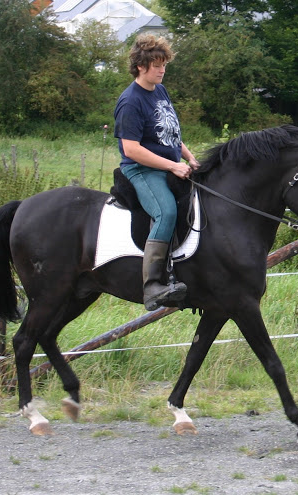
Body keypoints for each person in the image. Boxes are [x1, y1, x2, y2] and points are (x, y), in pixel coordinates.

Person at [114, 34, 200, 312]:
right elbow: (131, 149)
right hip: (142, 170)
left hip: (168, 165)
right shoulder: (130, 101)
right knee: (167, 212)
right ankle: (152, 286)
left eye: (164, 64)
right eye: (156, 65)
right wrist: (173, 165)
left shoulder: (160, 91)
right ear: (141, 66)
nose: (162, 70)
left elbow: (169, 133)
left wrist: (188, 156)